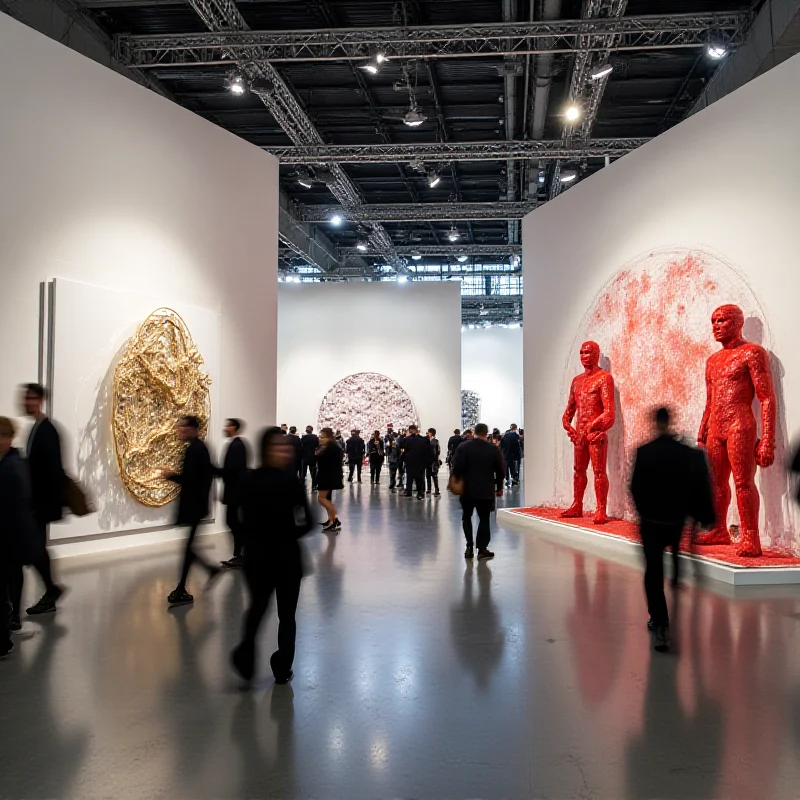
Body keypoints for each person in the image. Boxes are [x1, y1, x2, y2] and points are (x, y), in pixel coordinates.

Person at [230, 427, 313, 685]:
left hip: (269, 557)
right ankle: (255, 659)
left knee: (281, 614)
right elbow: (305, 523)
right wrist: (283, 532)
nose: (284, 451)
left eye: (285, 446)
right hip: (276, 557)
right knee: (264, 610)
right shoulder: (284, 482)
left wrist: (254, 534)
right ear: (266, 450)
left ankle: (279, 666)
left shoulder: (262, 480)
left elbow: (235, 517)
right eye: (278, 446)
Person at [630, 407, 715, 653]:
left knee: (653, 573)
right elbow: (701, 485)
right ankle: (663, 613)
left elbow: (635, 488)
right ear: (670, 422)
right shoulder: (688, 454)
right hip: (676, 520)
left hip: (652, 522)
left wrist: (644, 512)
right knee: (665, 561)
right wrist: (704, 515)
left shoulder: (645, 452)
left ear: (656, 423)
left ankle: (661, 622)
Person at [695, 304, 776, 557]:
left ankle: (751, 536)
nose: (716, 326)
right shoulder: (712, 361)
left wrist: (767, 441)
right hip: (715, 428)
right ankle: (719, 529)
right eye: (713, 321)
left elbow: (766, 398)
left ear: (737, 323)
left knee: (743, 482)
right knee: (716, 482)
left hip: (739, 425)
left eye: (722, 321)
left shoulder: (752, 353)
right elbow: (710, 400)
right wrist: (702, 431)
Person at [161, 416, 219, 606]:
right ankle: (208, 571)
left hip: (195, 505)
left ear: (193, 428)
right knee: (189, 548)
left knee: (188, 548)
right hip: (196, 505)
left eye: (183, 427)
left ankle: (181, 589)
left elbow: (192, 479)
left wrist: (171, 476)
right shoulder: (197, 448)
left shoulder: (196, 449)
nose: (180, 431)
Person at [20, 383, 66, 616]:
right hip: (38, 504)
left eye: (29, 398)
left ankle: (52, 590)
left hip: (41, 505)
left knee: (35, 549)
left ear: (39, 400)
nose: (25, 402)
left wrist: (44, 506)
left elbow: (52, 471)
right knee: (37, 549)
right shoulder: (39, 428)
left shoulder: (47, 431)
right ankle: (51, 590)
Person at [561, 340, 616, 525]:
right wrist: (569, 427)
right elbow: (569, 411)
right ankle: (577, 504)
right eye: (582, 353)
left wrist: (595, 426)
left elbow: (609, 412)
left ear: (597, 354)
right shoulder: (577, 381)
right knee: (578, 470)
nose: (585, 356)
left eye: (589, 353)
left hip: (594, 434)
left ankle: (601, 509)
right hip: (580, 435)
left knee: (599, 471)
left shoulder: (604, 378)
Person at [0, 417, 38, 654]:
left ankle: (6, 634)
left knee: (6, 588)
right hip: (10, 538)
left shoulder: (12, 466)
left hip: (10, 539)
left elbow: (13, 507)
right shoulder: (10, 463)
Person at [451, 423, 505, 560]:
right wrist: (499, 486)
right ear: (486, 434)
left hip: (467, 489)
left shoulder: (464, 447)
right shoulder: (493, 449)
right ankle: (482, 549)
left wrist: (456, 480)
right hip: (485, 490)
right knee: (484, 519)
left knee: (466, 517)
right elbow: (500, 470)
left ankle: (469, 546)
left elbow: (456, 466)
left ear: (474, 432)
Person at [215, 418, 249, 569]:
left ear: (234, 427)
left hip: (236, 492)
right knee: (233, 521)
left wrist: (215, 470)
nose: (225, 428)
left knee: (233, 521)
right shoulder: (236, 445)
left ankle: (241, 554)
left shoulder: (237, 445)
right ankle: (240, 554)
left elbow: (233, 470)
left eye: (227, 425)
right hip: (235, 491)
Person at [316, 428, 343, 532]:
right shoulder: (329, 447)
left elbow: (323, 460)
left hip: (327, 476)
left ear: (329, 438)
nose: (320, 439)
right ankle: (332, 520)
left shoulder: (331, 448)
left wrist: (317, 455)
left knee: (321, 498)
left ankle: (334, 517)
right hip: (328, 475)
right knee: (327, 498)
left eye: (323, 437)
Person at [402, 424, 431, 500]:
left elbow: (404, 451)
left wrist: (404, 459)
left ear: (410, 430)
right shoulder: (424, 440)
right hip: (420, 463)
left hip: (410, 462)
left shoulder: (406, 440)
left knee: (410, 478)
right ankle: (420, 493)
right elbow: (427, 451)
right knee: (420, 479)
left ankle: (409, 492)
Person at [300, 426, 320, 491]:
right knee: (313, 473)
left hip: (304, 457)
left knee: (303, 473)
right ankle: (314, 486)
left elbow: (301, 447)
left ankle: (302, 486)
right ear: (312, 430)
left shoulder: (303, 438)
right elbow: (318, 447)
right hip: (313, 458)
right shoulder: (315, 437)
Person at [426, 428, 442, 497]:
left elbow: (437, 452)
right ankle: (429, 489)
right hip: (428, 461)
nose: (427, 434)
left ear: (431, 433)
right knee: (428, 476)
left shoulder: (435, 441)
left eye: (428, 432)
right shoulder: (428, 441)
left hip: (433, 461)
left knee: (434, 476)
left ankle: (436, 489)